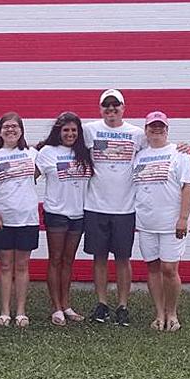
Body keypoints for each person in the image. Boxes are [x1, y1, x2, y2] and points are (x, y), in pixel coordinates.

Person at [82, 89, 144, 326]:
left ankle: (122, 305)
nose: (111, 110)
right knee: (99, 257)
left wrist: (181, 148)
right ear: (100, 109)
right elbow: (64, 138)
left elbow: (160, 146)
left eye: (115, 105)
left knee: (122, 258)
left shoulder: (137, 134)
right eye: (106, 106)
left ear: (123, 107)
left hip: (125, 207)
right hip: (96, 205)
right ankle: (102, 304)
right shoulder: (90, 130)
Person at [132, 111, 190, 332]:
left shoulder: (180, 154)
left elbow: (188, 187)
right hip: (146, 222)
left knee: (169, 268)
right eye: (152, 126)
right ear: (146, 130)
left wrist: (183, 218)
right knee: (152, 267)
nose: (156, 130)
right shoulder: (139, 155)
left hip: (172, 223)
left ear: (167, 129)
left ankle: (172, 312)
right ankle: (159, 313)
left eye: (161, 126)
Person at [0, 112, 40, 328]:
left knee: (22, 266)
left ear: (21, 130)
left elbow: (46, 169)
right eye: (6, 127)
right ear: (0, 131)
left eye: (15, 126)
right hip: (0, 220)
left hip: (27, 218)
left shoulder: (32, 153)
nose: (11, 130)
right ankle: (4, 312)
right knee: (5, 266)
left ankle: (21, 312)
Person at [35, 112, 93, 326]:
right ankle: (56, 307)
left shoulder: (85, 153)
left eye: (74, 130)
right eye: (66, 130)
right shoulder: (47, 152)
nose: (70, 134)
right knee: (56, 259)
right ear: (58, 132)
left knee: (69, 261)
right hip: (56, 213)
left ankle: (66, 305)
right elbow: (29, 176)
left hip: (79, 214)